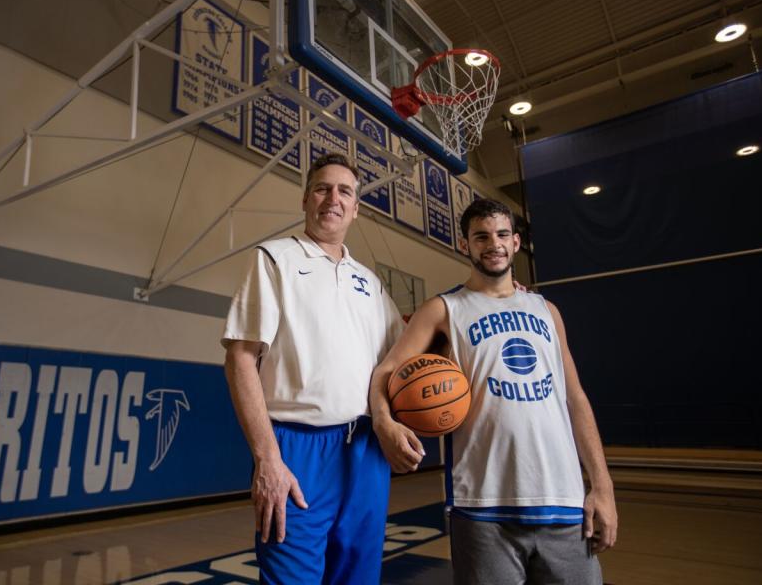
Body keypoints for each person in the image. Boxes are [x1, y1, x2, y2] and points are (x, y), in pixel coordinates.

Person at [369, 198, 617, 585]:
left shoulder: (546, 310)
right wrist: (384, 422)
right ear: (465, 245)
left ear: (516, 243)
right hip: (482, 502)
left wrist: (603, 487)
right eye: (480, 236)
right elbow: (386, 371)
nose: (493, 243)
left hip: (563, 499)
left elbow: (576, 399)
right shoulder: (444, 309)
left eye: (502, 234)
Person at [221, 153, 403, 584]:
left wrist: (495, 291)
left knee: (357, 578)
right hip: (296, 449)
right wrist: (267, 459)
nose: (333, 198)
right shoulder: (274, 259)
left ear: (356, 208)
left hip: (365, 449)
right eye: (322, 188)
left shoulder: (370, 283)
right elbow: (240, 359)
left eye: (345, 191)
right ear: (305, 199)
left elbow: (406, 350)